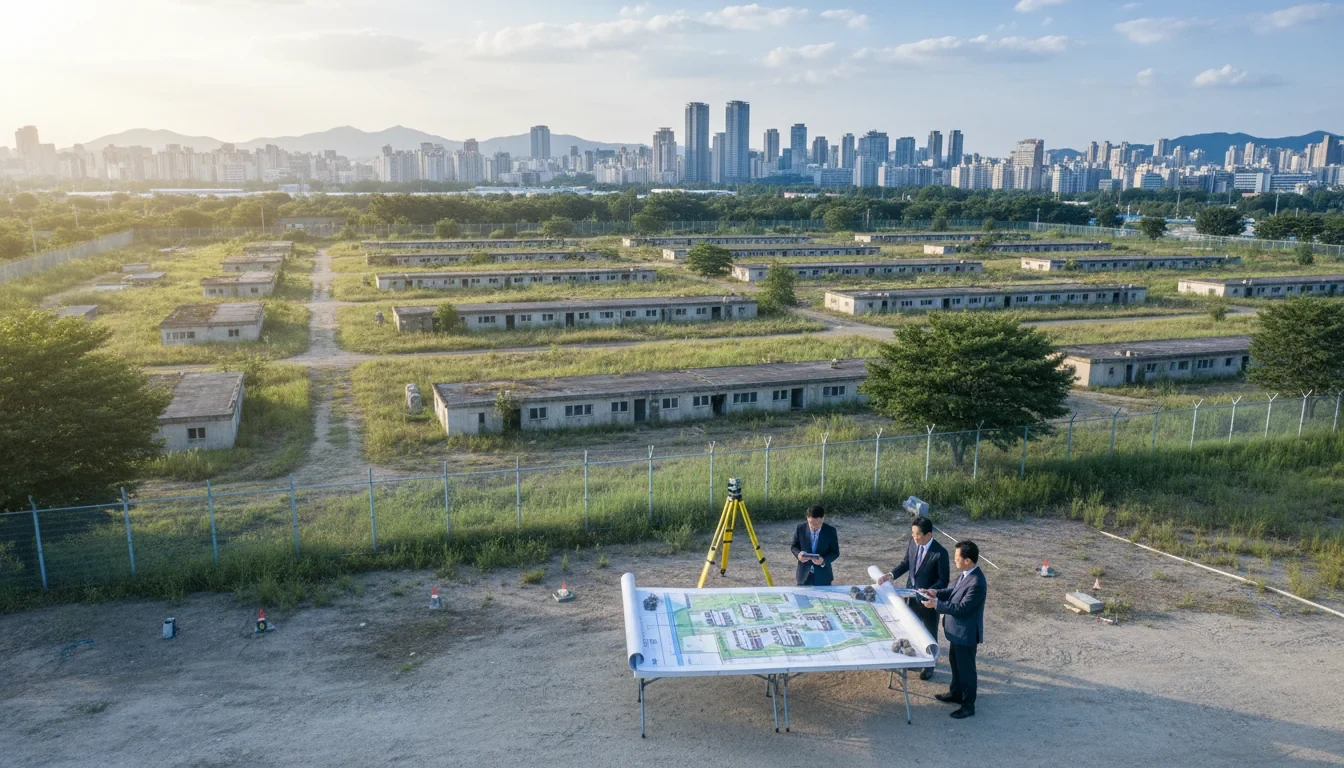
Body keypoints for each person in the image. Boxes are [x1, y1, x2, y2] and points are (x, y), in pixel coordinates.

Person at [921, 541, 986, 720]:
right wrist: (936, 592)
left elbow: (962, 608)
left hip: (965, 635)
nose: (955, 560)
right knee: (955, 665)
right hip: (956, 632)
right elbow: (954, 591)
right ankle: (956, 693)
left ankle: (968, 705)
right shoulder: (966, 574)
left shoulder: (977, 582)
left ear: (967, 560)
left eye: (958, 558)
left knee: (966, 670)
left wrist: (936, 604)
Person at [878, 516, 949, 680]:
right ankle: (913, 660)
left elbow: (943, 581)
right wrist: (890, 575)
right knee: (910, 629)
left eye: (917, 534)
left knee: (929, 632)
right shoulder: (913, 543)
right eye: (913, 533)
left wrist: (930, 591)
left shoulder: (940, 553)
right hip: (910, 596)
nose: (914, 537)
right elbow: (906, 563)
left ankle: (930, 664)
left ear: (929, 535)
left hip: (928, 600)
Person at [790, 505, 839, 586]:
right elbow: (794, 546)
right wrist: (799, 555)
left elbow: (835, 552)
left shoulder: (831, 531)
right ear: (807, 518)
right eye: (811, 523)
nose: (814, 527)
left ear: (823, 519)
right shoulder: (800, 528)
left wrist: (823, 561)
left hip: (823, 577)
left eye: (818, 524)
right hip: (803, 577)